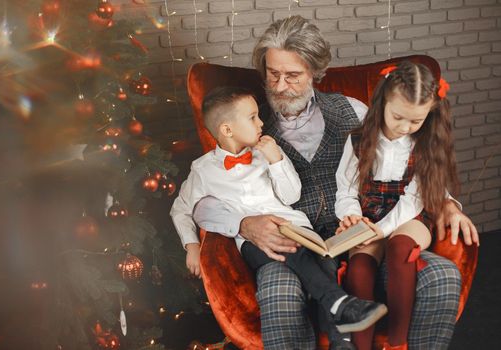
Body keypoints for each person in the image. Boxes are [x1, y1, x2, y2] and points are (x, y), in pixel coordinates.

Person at [192, 15, 479, 350]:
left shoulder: (353, 112)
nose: (281, 85)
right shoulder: (246, 126)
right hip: (291, 250)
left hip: (362, 238)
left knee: (441, 276)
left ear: (315, 72)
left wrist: (445, 202)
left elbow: (405, 161)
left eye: (293, 76)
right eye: (273, 74)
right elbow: (207, 193)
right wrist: (243, 222)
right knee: (277, 290)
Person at [170, 86, 387, 336]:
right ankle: (340, 303)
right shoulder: (203, 170)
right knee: (291, 251)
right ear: (227, 130)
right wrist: (192, 245)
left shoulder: (268, 151)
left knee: (325, 263)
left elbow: (291, 195)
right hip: (255, 242)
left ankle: (341, 338)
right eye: (252, 117)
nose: (261, 122)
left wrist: (276, 161)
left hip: (296, 227)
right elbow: (181, 209)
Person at [335, 61, 479, 350]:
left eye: (415, 121)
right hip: (370, 214)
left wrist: (383, 229)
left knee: (401, 248)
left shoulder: (426, 143)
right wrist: (351, 217)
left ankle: (397, 343)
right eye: (398, 117)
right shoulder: (358, 140)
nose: (404, 127)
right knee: (359, 268)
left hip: (412, 215)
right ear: (383, 103)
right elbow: (346, 189)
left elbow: (415, 198)